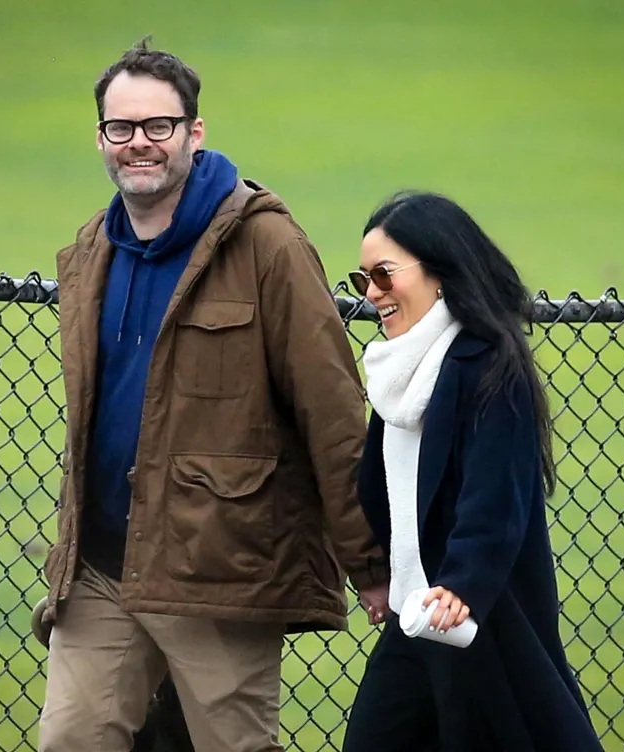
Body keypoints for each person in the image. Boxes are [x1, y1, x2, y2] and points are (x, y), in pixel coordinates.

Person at [36, 38, 389, 752]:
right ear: (99, 137)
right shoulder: (90, 253)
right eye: (120, 128)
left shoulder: (269, 248)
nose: (138, 143)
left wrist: (371, 563)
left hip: (218, 573)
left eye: (157, 126)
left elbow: (332, 411)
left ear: (194, 133)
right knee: (70, 740)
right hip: (104, 567)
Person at [341, 192, 604, 751]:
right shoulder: (399, 369)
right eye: (362, 279)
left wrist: (463, 580)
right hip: (414, 614)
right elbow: (384, 489)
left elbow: (497, 492)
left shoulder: (485, 362)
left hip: (473, 613)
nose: (372, 295)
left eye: (384, 276)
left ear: (438, 270)